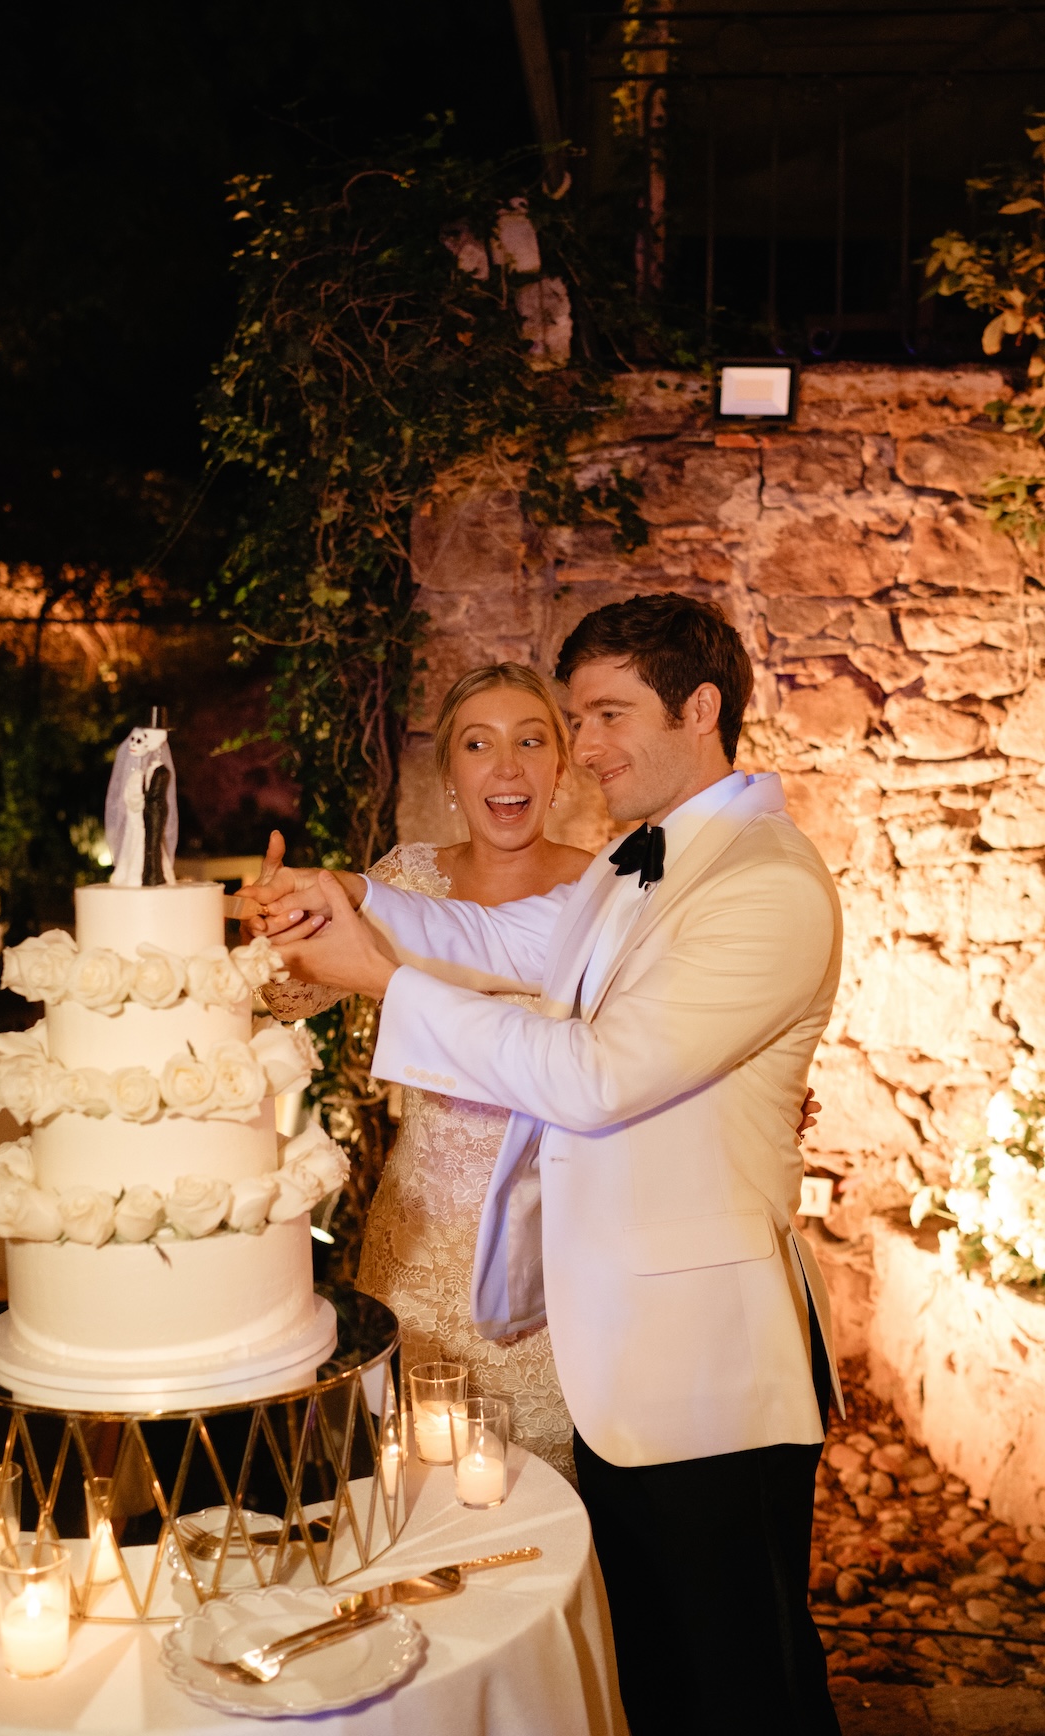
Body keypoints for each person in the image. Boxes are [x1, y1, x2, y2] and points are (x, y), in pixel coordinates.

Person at [247, 592, 843, 1736]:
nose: (588, 749)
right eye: (582, 717)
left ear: (701, 707)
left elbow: (597, 1073)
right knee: (654, 1668)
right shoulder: (639, 864)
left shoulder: (765, 883)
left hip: (705, 1366)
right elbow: (504, 937)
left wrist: (383, 981)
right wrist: (357, 899)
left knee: (741, 1680)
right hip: (611, 1349)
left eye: (608, 716)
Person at [259, 661, 593, 1476]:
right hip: (416, 1243)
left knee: (551, 1492)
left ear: (560, 767)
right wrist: (279, 933)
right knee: (417, 1483)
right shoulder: (406, 879)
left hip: (560, 1240)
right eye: (478, 744)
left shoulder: (604, 889)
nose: (506, 765)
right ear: (451, 773)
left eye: (530, 741)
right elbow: (299, 991)